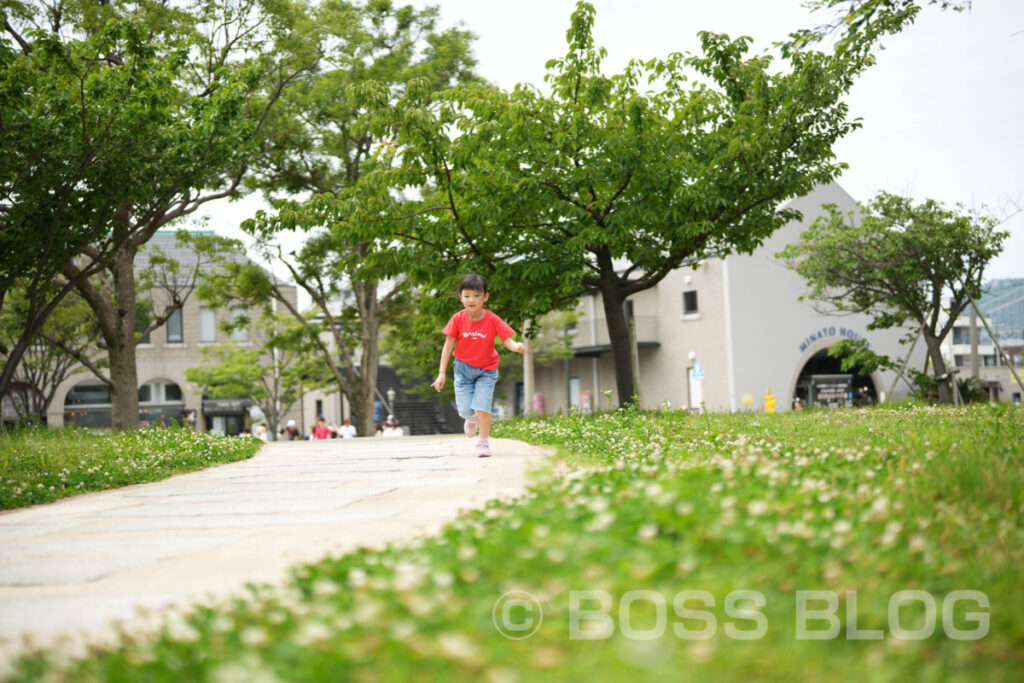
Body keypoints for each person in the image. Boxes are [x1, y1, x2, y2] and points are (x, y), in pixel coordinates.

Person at [431, 273, 526, 457]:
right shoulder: (457, 319)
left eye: (476, 295)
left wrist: (516, 346)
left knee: (483, 407)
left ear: (485, 297)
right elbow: (448, 346)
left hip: (487, 370)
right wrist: (441, 373)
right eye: (466, 295)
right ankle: (470, 417)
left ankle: (483, 442)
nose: (471, 300)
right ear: (460, 297)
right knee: (465, 409)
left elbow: (508, 340)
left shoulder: (492, 319)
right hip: (462, 370)